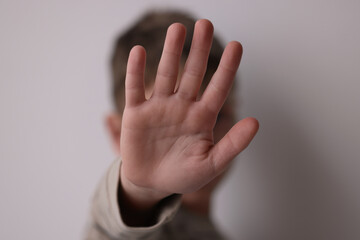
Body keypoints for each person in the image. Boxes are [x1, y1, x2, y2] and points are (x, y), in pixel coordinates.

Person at [84, 11, 259, 240]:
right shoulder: (141, 230)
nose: (199, 139)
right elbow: (109, 229)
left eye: (216, 116)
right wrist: (142, 192)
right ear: (118, 134)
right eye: (166, 127)